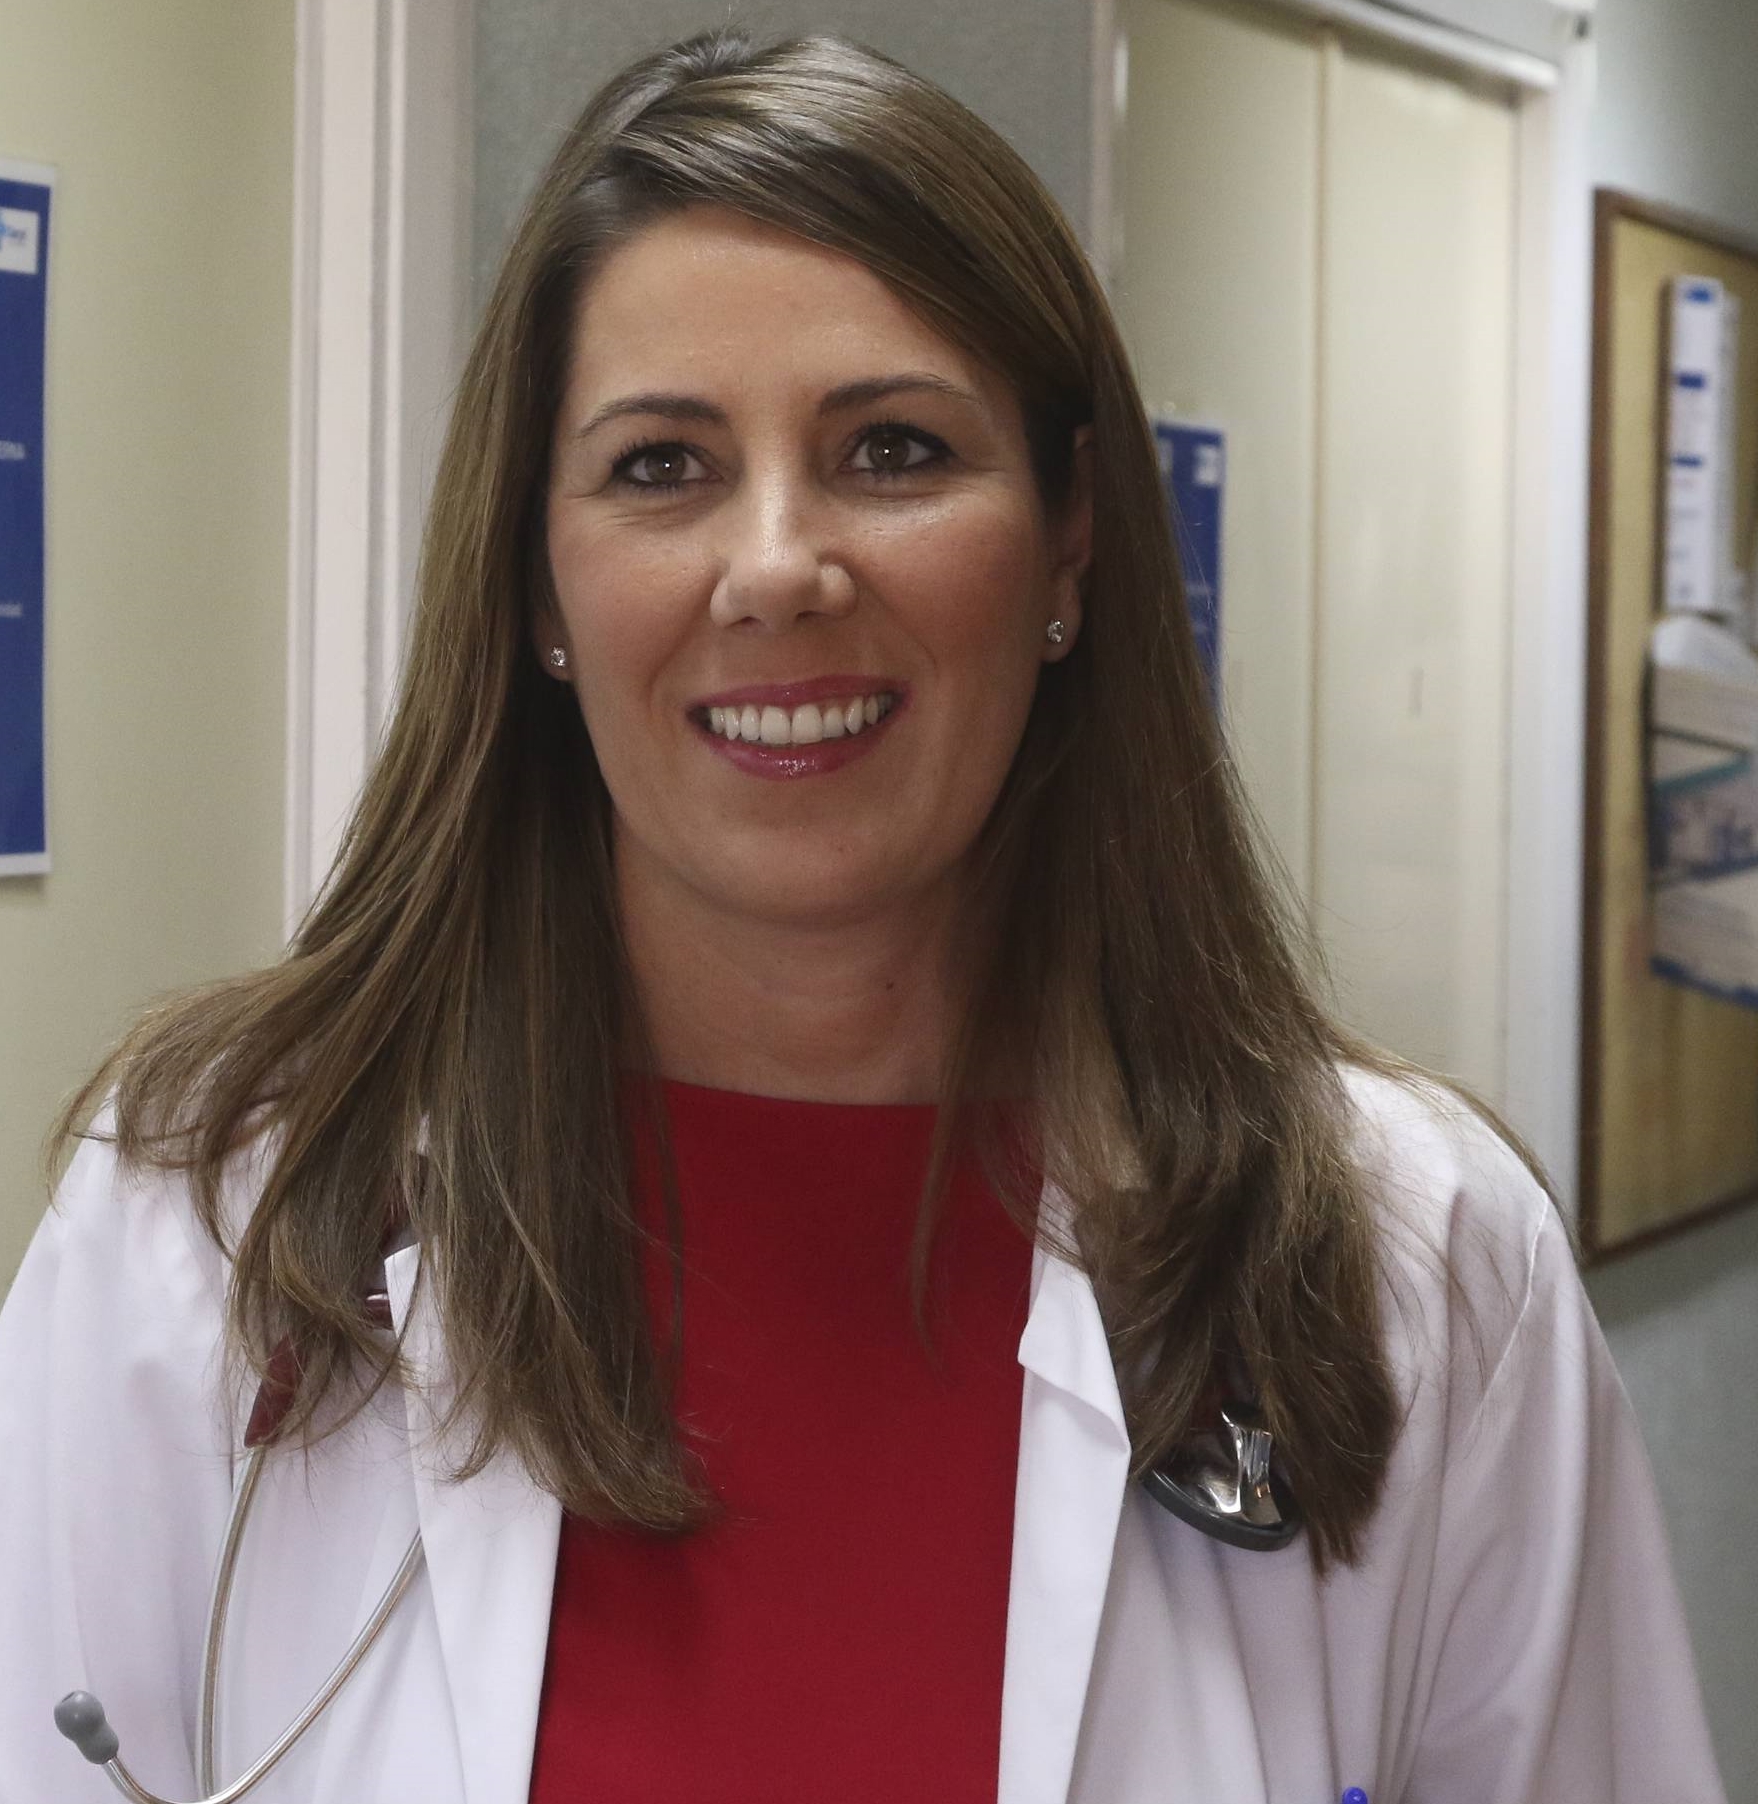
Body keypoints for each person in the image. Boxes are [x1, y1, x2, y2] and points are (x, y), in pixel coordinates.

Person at [0, 27, 1727, 1804]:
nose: (775, 568)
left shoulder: (1413, 1268)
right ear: (538, 582)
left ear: (1067, 543)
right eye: (660, 466)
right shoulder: (216, 1228)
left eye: (891, 450)